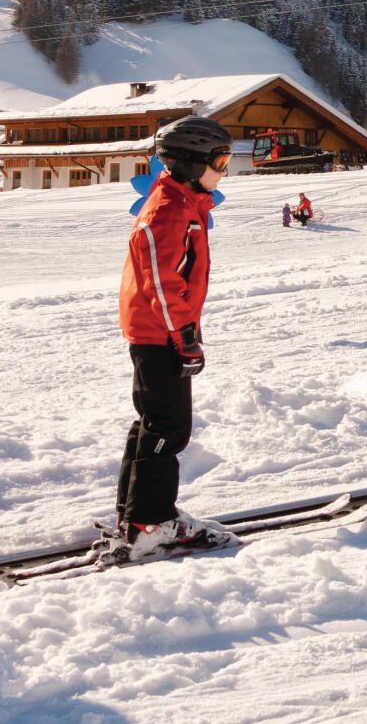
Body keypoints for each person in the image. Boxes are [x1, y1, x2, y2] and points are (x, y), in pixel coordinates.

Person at [111, 116, 240, 561]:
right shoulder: (168, 210)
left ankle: (136, 517)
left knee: (154, 423)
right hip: (159, 332)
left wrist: (186, 328)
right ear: (190, 163)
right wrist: (184, 337)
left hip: (159, 328)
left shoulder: (183, 203)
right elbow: (162, 283)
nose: (225, 170)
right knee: (168, 428)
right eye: (219, 161)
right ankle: (152, 525)